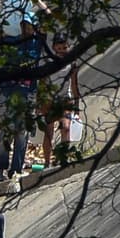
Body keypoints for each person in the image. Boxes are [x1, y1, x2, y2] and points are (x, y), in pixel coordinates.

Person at [0, 11, 42, 182]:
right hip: (8, 92)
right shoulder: (11, 41)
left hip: (27, 94)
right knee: (6, 132)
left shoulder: (37, 42)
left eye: (29, 25)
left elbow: (49, 19)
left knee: (22, 134)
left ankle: (16, 169)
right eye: (24, 25)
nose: (26, 28)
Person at [42, 33, 81, 167]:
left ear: (68, 47)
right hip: (50, 100)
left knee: (66, 128)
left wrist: (77, 105)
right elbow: (43, 84)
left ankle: (63, 158)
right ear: (54, 48)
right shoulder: (49, 63)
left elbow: (74, 85)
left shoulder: (72, 64)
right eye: (59, 49)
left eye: (64, 48)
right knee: (49, 132)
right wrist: (41, 103)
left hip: (65, 99)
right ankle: (47, 162)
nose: (62, 52)